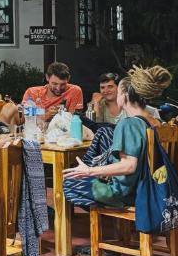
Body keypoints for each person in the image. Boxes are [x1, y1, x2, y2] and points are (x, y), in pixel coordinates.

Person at [63, 66, 172, 208]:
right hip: (154, 185)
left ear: (125, 95)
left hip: (128, 193)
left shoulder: (129, 124)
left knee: (69, 183)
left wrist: (89, 171)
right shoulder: (156, 122)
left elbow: (129, 166)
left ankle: (114, 217)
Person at [86, 71, 161, 125]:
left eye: (110, 87)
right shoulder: (99, 105)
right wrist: (95, 103)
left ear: (119, 88)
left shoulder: (129, 104)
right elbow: (94, 127)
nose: (105, 91)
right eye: (102, 88)